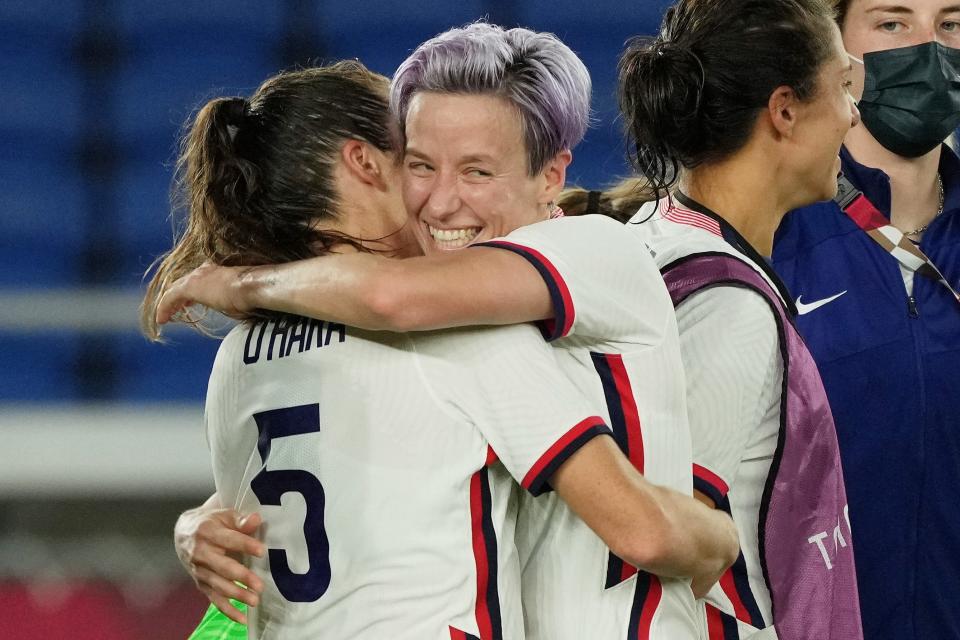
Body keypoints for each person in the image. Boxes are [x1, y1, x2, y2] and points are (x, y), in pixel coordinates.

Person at [157, 22, 738, 640]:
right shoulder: (449, 335)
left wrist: (241, 285)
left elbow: (389, 303)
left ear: (550, 175)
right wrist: (722, 536)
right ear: (372, 162)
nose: (439, 204)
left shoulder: (244, 355)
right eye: (420, 164)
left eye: (477, 172)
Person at [585, 0, 862, 638]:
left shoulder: (650, 234)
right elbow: (664, 553)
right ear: (785, 110)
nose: (853, 114)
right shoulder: (726, 304)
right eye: (843, 88)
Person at [770, 1, 960, 638]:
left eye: (953, 23)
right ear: (836, 55)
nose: (930, 48)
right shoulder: (767, 233)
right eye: (893, 23)